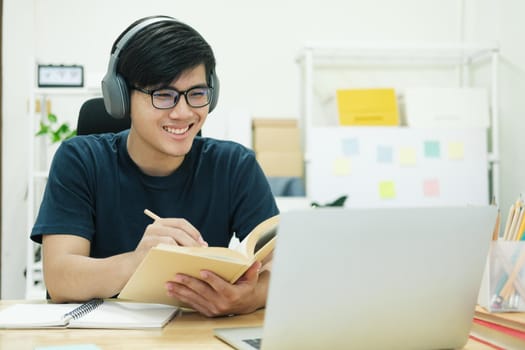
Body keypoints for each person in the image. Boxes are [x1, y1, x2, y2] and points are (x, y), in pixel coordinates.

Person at [30, 15, 279, 317]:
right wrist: (138, 262)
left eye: (197, 94)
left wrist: (248, 297)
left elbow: (281, 266)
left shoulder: (234, 165)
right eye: (164, 95)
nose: (184, 112)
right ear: (120, 98)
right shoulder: (81, 159)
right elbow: (60, 278)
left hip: (194, 336)